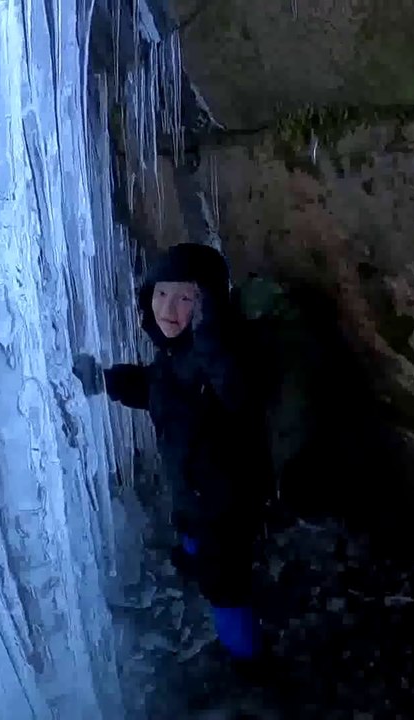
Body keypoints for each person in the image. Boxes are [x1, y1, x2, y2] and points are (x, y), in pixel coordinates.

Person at [73, 242, 272, 669]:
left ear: (208, 307)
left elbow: (237, 395)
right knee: (191, 538)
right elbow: (153, 388)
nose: (169, 307)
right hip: (193, 493)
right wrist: (104, 381)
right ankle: (195, 564)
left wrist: (210, 337)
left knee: (225, 583)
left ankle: (247, 661)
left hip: (227, 501)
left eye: (186, 298)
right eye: (162, 293)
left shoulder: (219, 355)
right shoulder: (174, 357)